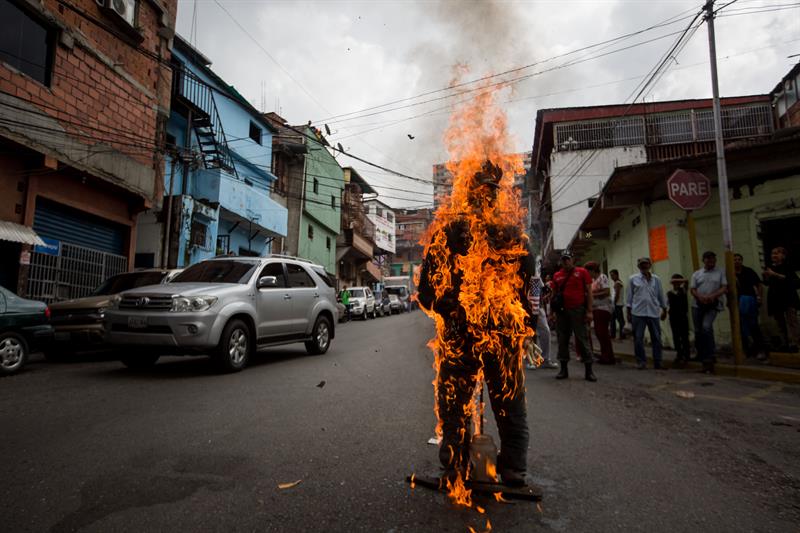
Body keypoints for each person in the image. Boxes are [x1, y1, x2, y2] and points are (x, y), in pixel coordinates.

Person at [417, 161, 534, 488]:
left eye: (486, 191)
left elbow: (425, 294)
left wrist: (447, 306)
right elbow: (427, 291)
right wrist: (449, 307)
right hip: (482, 334)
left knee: (474, 403)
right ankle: (499, 469)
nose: (484, 197)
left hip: (484, 334)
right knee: (491, 403)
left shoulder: (456, 235)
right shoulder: (505, 235)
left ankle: (466, 467)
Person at [551, 251, 595, 381]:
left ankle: (589, 371)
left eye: (568, 259)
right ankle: (563, 369)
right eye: (563, 260)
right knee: (562, 340)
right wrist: (552, 313)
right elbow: (554, 294)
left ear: (572, 260)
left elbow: (589, 292)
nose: (565, 262)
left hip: (578, 310)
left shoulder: (582, 272)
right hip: (562, 312)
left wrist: (589, 311)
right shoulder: (557, 275)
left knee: (582, 339)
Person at [626, 257, 668, 370]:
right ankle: (641, 361)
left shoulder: (656, 279)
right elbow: (629, 297)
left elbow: (660, 294)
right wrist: (628, 313)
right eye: (642, 264)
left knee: (657, 338)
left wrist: (664, 309)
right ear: (638, 266)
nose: (644, 266)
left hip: (653, 312)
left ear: (650, 265)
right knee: (638, 338)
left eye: (646, 264)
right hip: (638, 313)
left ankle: (658, 362)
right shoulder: (633, 279)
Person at [690, 251, 728, 374]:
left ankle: (710, 356)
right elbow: (693, 289)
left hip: (712, 305)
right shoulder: (697, 274)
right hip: (697, 305)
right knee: (698, 331)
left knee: (706, 327)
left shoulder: (720, 272)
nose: (711, 261)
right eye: (709, 259)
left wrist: (713, 296)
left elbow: (724, 287)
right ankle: (701, 354)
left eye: (713, 259)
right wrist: (700, 296)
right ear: (704, 260)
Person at [763, 246, 800, 352]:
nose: (774, 255)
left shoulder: (788, 266)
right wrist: (766, 276)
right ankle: (784, 343)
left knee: (792, 322)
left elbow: (794, 281)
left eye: (777, 253)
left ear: (783, 256)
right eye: (772, 253)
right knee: (779, 323)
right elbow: (766, 283)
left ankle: (794, 344)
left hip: (788, 297)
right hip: (775, 298)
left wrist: (774, 274)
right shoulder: (770, 267)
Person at [734, 253, 765, 359]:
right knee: (741, 328)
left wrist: (759, 297)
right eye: (735, 260)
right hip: (737, 304)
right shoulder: (730, 273)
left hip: (750, 301)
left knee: (754, 326)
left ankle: (760, 349)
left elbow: (759, 284)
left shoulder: (748, 271)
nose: (737, 261)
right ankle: (746, 351)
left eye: (739, 259)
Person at [526, 272, 558, 370]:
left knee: (545, 331)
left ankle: (546, 359)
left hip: (538, 307)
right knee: (529, 334)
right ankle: (530, 360)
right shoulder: (521, 273)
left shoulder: (536, 276)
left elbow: (544, 290)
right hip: (525, 308)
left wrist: (546, 293)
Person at [585, 261, 615, 365]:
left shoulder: (602, 277)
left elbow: (606, 291)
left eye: (588, 271)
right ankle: (606, 355)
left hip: (603, 308)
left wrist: (592, 294)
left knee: (602, 332)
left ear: (593, 270)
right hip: (596, 308)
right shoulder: (594, 280)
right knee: (600, 333)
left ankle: (607, 356)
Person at [667, 274, 691, 367]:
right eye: (674, 282)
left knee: (684, 336)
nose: (676, 284)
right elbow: (668, 305)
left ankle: (686, 354)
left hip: (682, 316)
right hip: (673, 317)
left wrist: (678, 280)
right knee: (676, 336)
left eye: (678, 282)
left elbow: (687, 281)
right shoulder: (669, 293)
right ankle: (679, 353)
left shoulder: (683, 291)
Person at [609, 269, 626, 340]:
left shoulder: (618, 283)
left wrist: (614, 304)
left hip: (617, 304)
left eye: (613, 275)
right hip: (617, 304)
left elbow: (617, 295)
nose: (611, 277)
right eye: (611, 276)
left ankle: (622, 335)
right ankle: (613, 335)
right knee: (613, 320)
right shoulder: (617, 283)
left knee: (620, 320)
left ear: (617, 275)